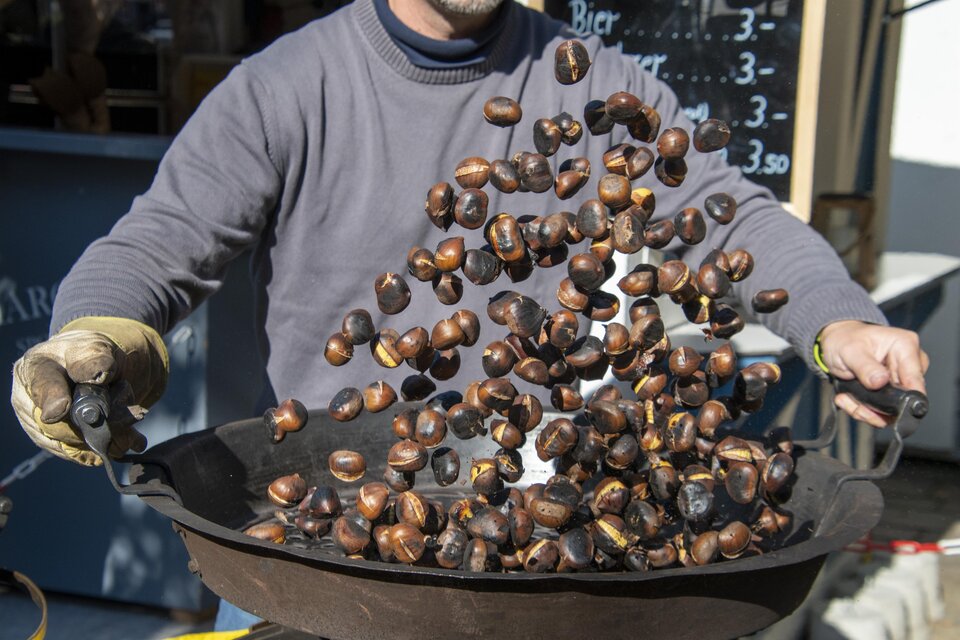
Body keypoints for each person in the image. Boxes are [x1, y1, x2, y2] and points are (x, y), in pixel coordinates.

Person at [10, 0, 928, 631]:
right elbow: (159, 246)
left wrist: (838, 323)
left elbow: (733, 218)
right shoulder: (287, 86)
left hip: (547, 543)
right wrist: (94, 338)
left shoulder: (590, 81)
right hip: (325, 547)